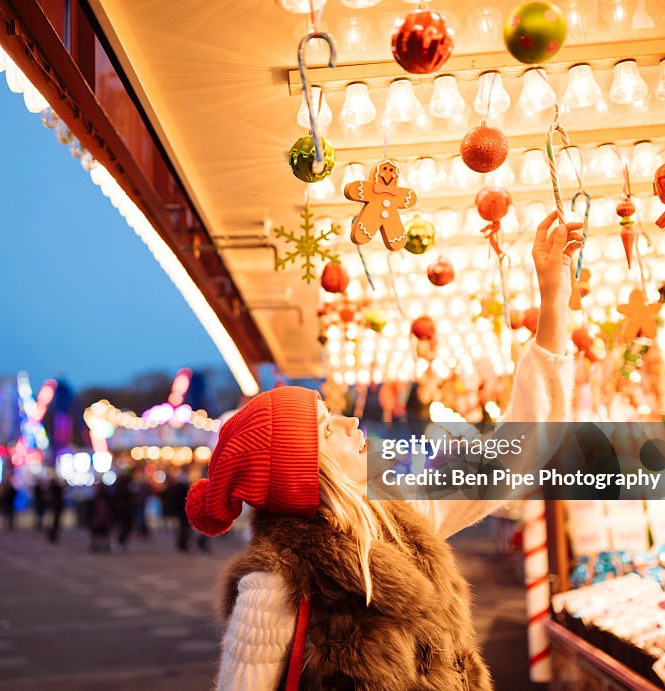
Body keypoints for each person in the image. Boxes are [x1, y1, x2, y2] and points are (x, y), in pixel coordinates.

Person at [187, 213, 581, 690]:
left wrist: (554, 299)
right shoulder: (273, 584)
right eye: (327, 429)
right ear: (309, 472)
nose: (350, 421)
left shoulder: (404, 517)